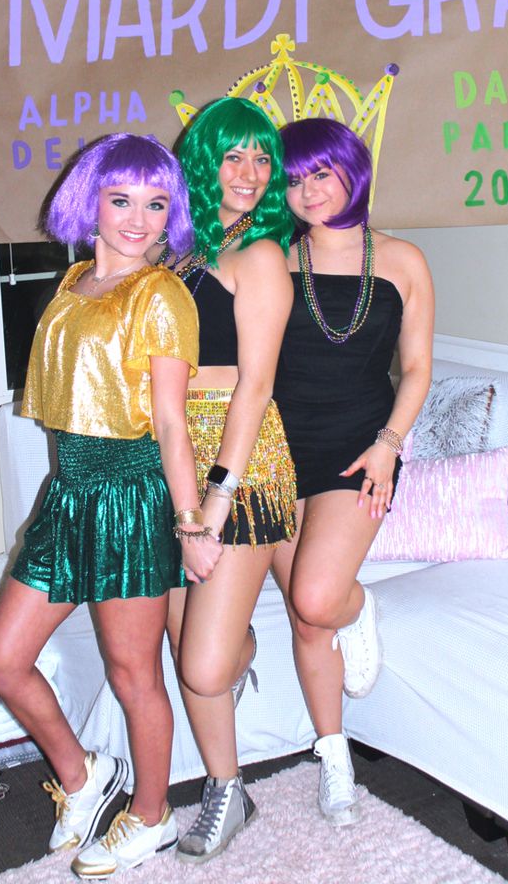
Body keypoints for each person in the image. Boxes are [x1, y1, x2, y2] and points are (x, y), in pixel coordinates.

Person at [0, 133, 222, 879]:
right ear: (92, 202)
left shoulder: (161, 294)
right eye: (122, 201)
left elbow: (173, 422)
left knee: (133, 674)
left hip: (128, 493)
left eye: (156, 204)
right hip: (70, 494)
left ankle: (151, 815)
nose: (139, 219)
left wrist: (189, 524)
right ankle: (85, 779)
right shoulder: (76, 280)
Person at [270, 117, 434, 827]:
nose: (306, 191)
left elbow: (420, 367)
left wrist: (390, 443)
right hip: (276, 455)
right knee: (308, 623)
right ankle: (334, 759)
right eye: (294, 179)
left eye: (319, 174)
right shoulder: (270, 258)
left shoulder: (402, 260)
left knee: (315, 598)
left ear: (351, 172)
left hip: (358, 455)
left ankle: (356, 605)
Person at [158, 96, 297, 863]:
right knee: (186, 651)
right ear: (203, 163)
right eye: (232, 156)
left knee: (205, 664)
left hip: (239, 465)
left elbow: (254, 386)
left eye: (261, 158)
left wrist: (215, 496)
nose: (248, 173)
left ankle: (236, 648)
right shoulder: (178, 254)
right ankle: (226, 786)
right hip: (175, 458)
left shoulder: (262, 257)